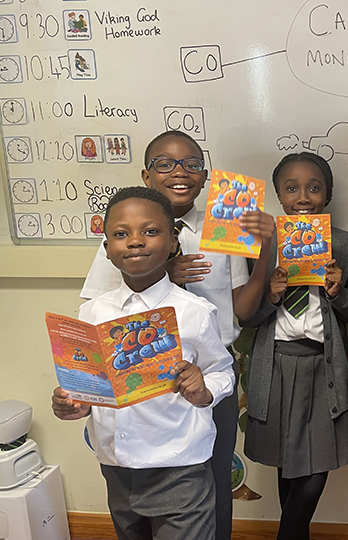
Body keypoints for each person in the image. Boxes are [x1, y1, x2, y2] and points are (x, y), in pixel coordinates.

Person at [79, 130, 275, 540]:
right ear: (147, 175)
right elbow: (99, 311)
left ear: (204, 176)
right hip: (136, 375)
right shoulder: (126, 232)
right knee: (135, 485)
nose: (178, 172)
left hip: (205, 373)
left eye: (190, 163)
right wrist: (164, 273)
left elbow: (240, 309)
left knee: (212, 476)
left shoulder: (226, 224)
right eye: (165, 164)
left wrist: (265, 251)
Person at [52, 187, 235, 540]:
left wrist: (205, 389)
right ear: (107, 249)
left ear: (172, 241)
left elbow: (221, 371)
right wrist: (73, 403)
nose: (135, 241)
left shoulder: (193, 312)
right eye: (121, 234)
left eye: (150, 231)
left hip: (179, 467)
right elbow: (90, 387)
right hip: (116, 467)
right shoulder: (93, 313)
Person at [241, 152, 348, 540]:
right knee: (285, 464)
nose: (303, 197)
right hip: (274, 365)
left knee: (314, 470)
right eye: (291, 188)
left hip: (321, 367)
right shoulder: (262, 244)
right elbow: (245, 316)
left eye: (314, 188)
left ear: (327, 194)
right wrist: (271, 298)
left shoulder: (343, 244)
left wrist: (337, 291)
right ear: (278, 194)